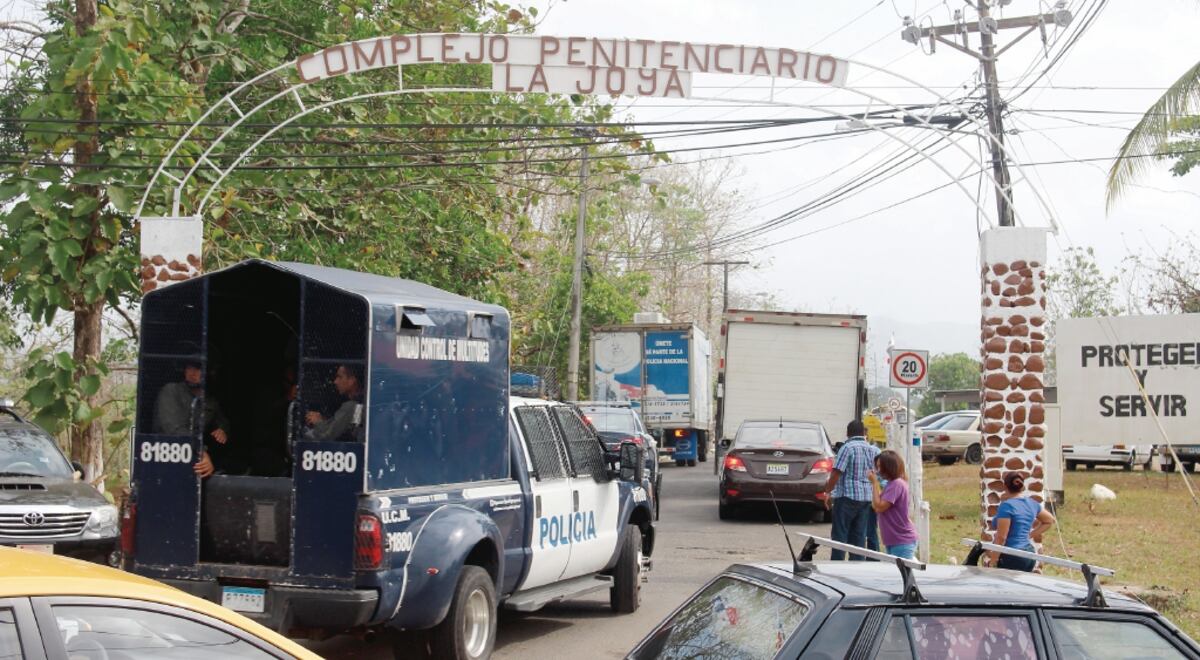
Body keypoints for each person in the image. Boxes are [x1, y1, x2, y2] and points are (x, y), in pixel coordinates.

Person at [153, 360, 230, 478]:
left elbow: (222, 421)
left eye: (198, 369)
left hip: (195, 463)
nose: (192, 373)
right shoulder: (171, 390)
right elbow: (174, 429)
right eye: (189, 368)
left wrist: (222, 430)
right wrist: (202, 452)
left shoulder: (210, 401)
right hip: (166, 461)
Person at [823, 419, 880, 560]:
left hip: (847, 497)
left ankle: (837, 566)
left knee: (840, 536)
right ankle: (857, 568)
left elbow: (836, 473)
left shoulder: (847, 448)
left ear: (848, 433)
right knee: (859, 537)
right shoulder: (872, 450)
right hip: (866, 499)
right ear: (863, 433)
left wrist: (828, 492)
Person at [988, 471, 1057, 571]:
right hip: (1029, 554)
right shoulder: (1032, 503)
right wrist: (1029, 535)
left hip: (1012, 555)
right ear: (1022, 486)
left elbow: (1001, 537)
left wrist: (993, 561)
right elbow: (1049, 520)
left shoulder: (1006, 506)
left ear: (1005, 487)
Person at [868, 450, 920, 559]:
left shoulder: (896, 484)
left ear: (888, 467)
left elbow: (880, 507)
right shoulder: (891, 484)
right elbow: (876, 507)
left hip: (902, 540)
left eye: (880, 467)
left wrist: (874, 483)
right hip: (893, 540)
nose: (877, 471)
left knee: (902, 574)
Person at [305, 364, 365, 442]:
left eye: (340, 377)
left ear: (351, 381)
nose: (335, 382)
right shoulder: (359, 405)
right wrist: (321, 420)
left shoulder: (352, 406)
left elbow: (328, 437)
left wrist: (317, 422)